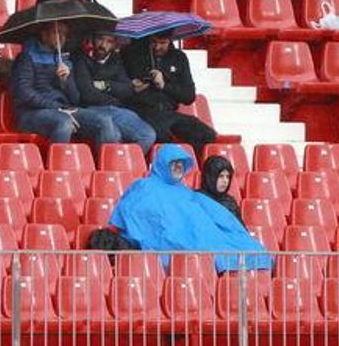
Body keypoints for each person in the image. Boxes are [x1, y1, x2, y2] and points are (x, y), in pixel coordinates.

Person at [109, 145, 271, 272]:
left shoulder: (185, 190)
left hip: (203, 235)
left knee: (246, 247)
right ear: (162, 164)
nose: (179, 167)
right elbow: (139, 217)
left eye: (181, 164)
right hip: (176, 240)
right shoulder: (144, 187)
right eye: (174, 163)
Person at [11, 20, 135, 146]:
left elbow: (75, 98)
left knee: (103, 121)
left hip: (64, 109)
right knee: (64, 122)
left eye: (64, 34)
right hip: (32, 113)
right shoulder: (26, 57)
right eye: (56, 33)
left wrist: (65, 81)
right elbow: (23, 93)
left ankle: (103, 164)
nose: (61, 38)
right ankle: (58, 164)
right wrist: (57, 108)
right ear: (44, 34)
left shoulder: (64, 60)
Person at [123, 33, 218, 155]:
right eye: (154, 42)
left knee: (206, 134)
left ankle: (192, 167)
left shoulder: (179, 58)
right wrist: (135, 86)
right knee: (162, 134)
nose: (157, 47)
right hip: (142, 111)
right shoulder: (132, 55)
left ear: (170, 40)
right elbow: (123, 88)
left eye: (162, 43)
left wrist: (165, 85)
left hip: (169, 113)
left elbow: (189, 96)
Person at [72, 32, 158, 154]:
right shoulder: (80, 58)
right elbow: (87, 94)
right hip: (91, 109)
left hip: (116, 109)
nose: (103, 45)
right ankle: (108, 169)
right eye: (100, 39)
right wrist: (115, 95)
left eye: (109, 42)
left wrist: (104, 85)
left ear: (114, 45)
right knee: (113, 134)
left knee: (147, 135)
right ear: (92, 39)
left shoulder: (115, 59)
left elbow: (127, 89)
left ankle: (126, 168)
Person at [197, 153, 241, 224]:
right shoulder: (197, 199)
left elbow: (240, 229)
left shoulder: (230, 202)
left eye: (228, 176)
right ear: (210, 177)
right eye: (221, 176)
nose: (225, 181)